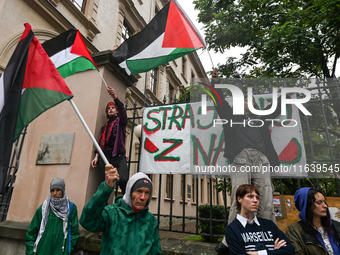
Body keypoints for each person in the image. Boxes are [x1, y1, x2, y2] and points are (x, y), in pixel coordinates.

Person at [212, 69, 286, 224]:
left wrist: (284, 95)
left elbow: (276, 108)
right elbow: (219, 103)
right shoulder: (232, 116)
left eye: (252, 101)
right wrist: (216, 84)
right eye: (245, 100)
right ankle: (233, 236)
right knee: (239, 196)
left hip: (261, 158)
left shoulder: (261, 117)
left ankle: (268, 233)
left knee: (265, 196)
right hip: (241, 157)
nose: (248, 102)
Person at [79, 164, 161, 255]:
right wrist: (106, 189)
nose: (143, 197)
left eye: (147, 193)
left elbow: (156, 251)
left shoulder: (151, 220)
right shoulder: (111, 214)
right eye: (138, 191)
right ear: (129, 192)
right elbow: (87, 222)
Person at [225, 184, 295, 255]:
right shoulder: (232, 229)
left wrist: (258, 253)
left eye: (257, 198)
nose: (255, 200)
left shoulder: (269, 225)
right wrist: (275, 252)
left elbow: (290, 250)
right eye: (250, 196)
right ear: (239, 199)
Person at [25, 177, 79, 255]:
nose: (54, 193)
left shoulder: (71, 208)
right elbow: (32, 232)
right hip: (42, 250)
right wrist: (31, 252)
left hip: (61, 250)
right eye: (52, 190)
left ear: (62, 191)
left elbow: (74, 232)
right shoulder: (43, 209)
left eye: (58, 190)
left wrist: (69, 249)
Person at [91, 86, 128, 195]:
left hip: (118, 156)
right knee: (104, 185)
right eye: (108, 108)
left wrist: (115, 97)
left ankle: (128, 203)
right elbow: (100, 144)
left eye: (113, 107)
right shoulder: (104, 126)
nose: (111, 109)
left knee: (123, 180)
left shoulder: (121, 122)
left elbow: (123, 112)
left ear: (116, 110)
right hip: (104, 156)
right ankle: (104, 208)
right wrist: (96, 157)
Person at [285, 187, 340, 255]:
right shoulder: (294, 230)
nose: (325, 206)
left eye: (324, 202)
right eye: (319, 203)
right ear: (307, 206)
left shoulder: (336, 226)